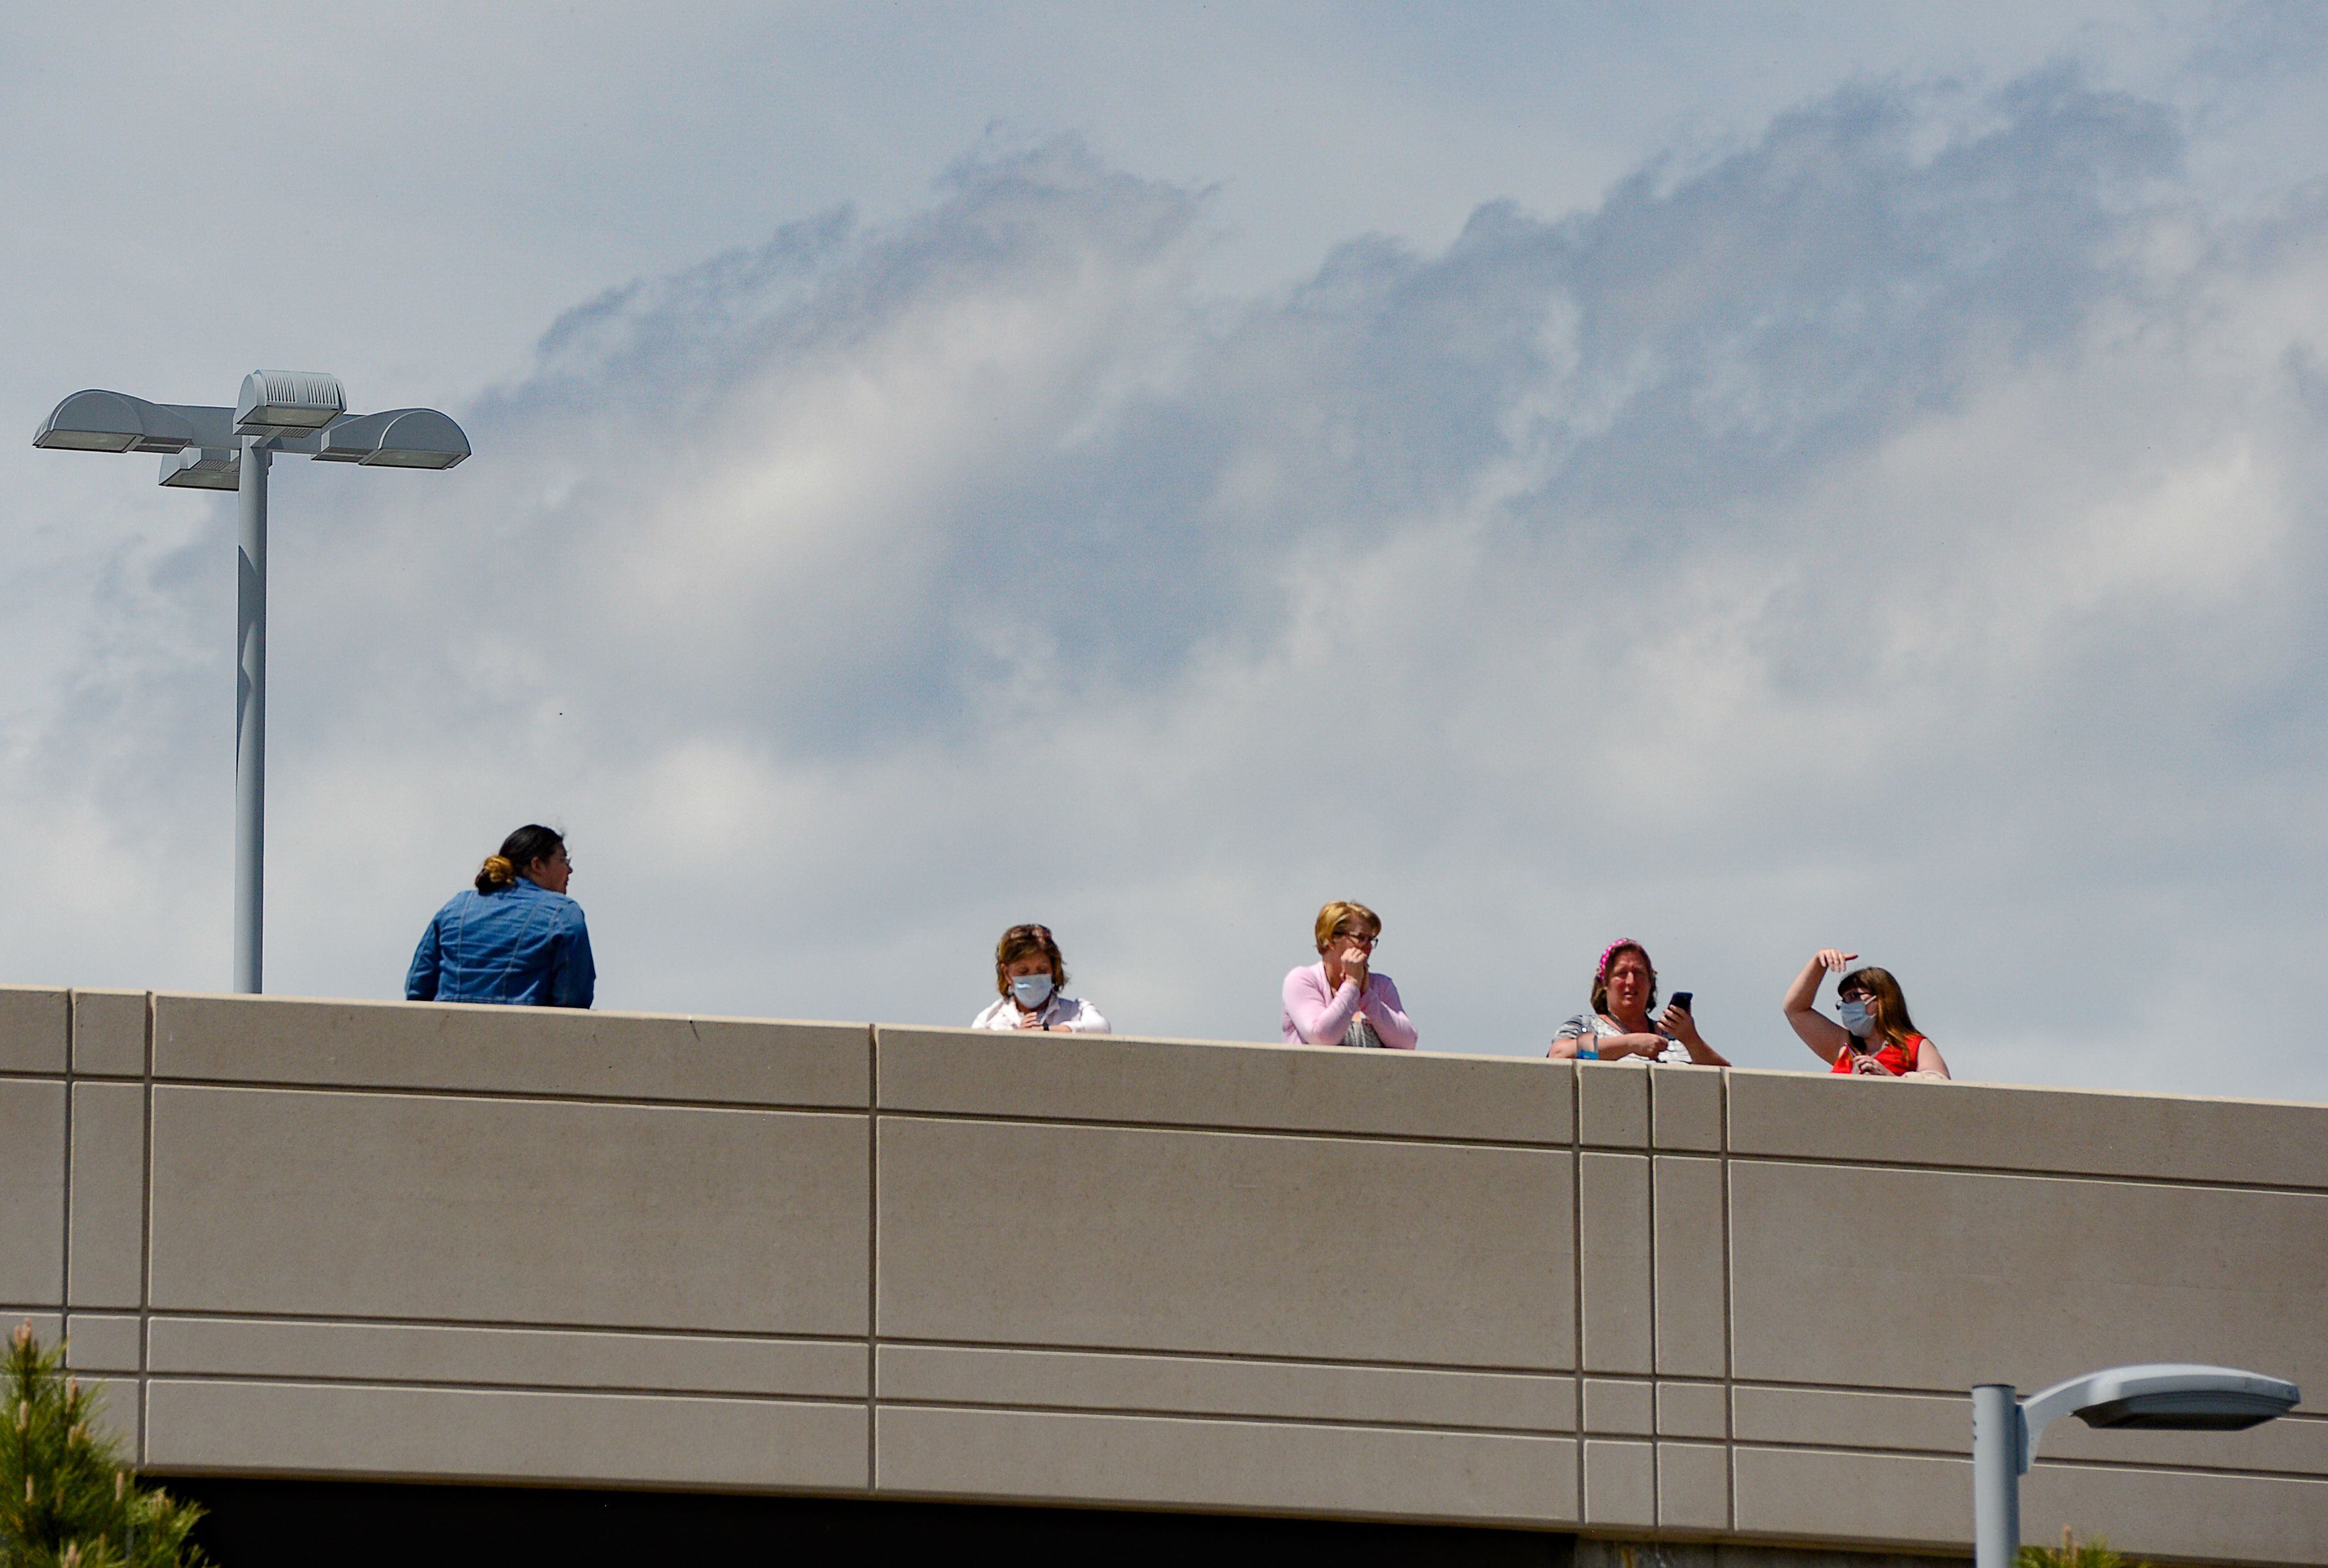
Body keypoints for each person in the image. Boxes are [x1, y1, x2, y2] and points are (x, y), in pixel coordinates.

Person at [405, 825, 595, 1008]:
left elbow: (418, 986)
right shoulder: (563, 913)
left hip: (447, 1034)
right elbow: (572, 999)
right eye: (564, 861)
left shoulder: (456, 907)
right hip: (523, 1036)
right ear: (537, 865)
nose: (569, 870)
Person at [1549, 939, 1728, 1064]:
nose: (1631, 982)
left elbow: (1729, 1084)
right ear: (1605, 983)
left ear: (1651, 983)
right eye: (1622, 974)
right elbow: (1559, 1055)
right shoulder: (1586, 1027)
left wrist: (1691, 1039)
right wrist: (1630, 1044)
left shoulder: (1677, 1037)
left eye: (1639, 973)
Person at [1782, 948, 1950, 1079]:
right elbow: (1796, 1009)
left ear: (1882, 999)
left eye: (1855, 996)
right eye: (1845, 999)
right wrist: (1818, 963)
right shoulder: (1845, 1046)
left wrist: (1889, 1078)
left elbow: (1940, 1091)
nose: (1848, 1005)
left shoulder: (1915, 1046)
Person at [1282, 901, 1417, 1049]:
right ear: (1331, 939)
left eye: (1371, 940)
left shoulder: (1382, 986)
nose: (1368, 948)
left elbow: (1408, 1042)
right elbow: (1322, 1037)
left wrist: (1368, 997)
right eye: (1360, 938)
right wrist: (1352, 984)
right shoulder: (1302, 980)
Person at [971, 924, 1109, 1032]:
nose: (1033, 976)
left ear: (1053, 970)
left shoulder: (1078, 1010)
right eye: (1023, 971)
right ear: (1007, 974)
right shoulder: (989, 1020)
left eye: (1042, 970)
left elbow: (1102, 1029)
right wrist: (1016, 1040)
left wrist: (1047, 1031)